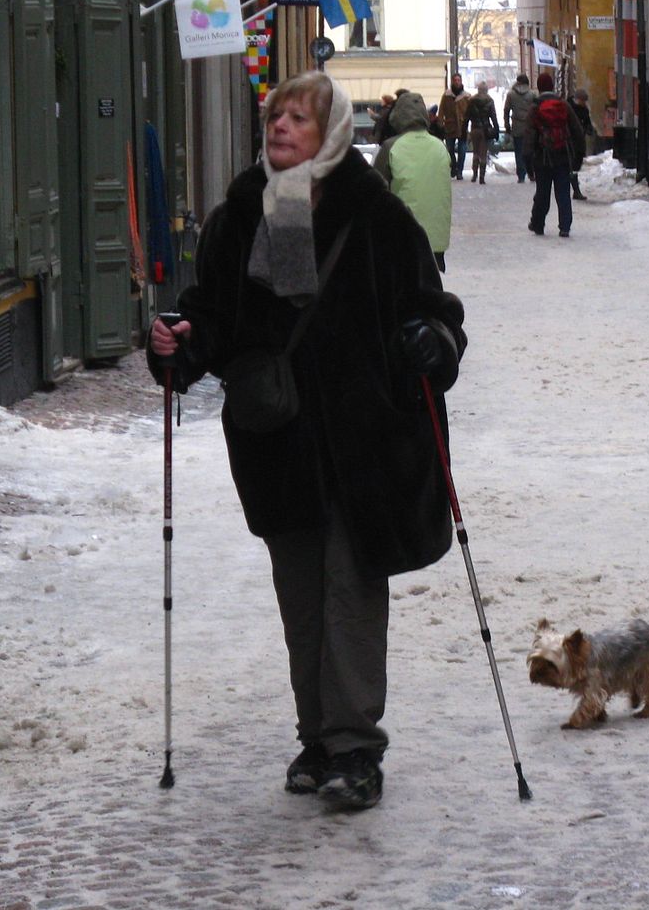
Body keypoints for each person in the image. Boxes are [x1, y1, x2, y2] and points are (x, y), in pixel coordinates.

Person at [147, 71, 467, 811]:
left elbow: (436, 309)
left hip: (366, 439)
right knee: (302, 598)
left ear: (329, 131)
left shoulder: (379, 220)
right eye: (274, 116)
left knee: (350, 592)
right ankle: (316, 737)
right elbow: (212, 320)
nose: (280, 127)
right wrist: (177, 344)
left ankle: (355, 748)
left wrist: (434, 340)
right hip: (277, 441)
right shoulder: (238, 218)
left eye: (298, 117)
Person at [374, 91, 453, 271]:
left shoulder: (391, 147)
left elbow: (374, 190)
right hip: (436, 238)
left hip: (402, 237)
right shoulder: (439, 146)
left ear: (397, 116)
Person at [524, 70, 585, 238]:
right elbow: (577, 131)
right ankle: (565, 226)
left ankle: (538, 224)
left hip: (542, 157)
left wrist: (528, 162)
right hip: (563, 155)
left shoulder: (535, 108)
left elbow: (529, 136)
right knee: (563, 192)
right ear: (552, 86)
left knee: (542, 192)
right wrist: (578, 156)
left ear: (539, 87)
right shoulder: (563, 105)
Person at [503, 72, 538, 183]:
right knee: (531, 150)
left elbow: (506, 110)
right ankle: (532, 173)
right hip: (530, 126)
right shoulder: (533, 94)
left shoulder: (511, 94)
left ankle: (521, 175)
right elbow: (537, 110)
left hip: (517, 126)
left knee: (519, 151)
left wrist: (507, 125)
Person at [462, 81, 499, 184]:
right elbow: (494, 117)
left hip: (474, 129)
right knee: (483, 153)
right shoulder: (490, 101)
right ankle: (482, 177)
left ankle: (474, 175)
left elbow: (466, 117)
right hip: (485, 130)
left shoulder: (472, 101)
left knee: (475, 152)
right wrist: (496, 131)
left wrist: (464, 130)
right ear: (486, 90)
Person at [436, 72, 469, 179]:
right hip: (450, 126)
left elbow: (471, 111)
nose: (457, 82)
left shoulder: (466, 96)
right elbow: (441, 110)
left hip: (462, 126)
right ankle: (453, 166)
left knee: (462, 150)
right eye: (455, 80)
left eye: (458, 80)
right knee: (449, 149)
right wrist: (440, 122)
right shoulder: (446, 95)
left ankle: (459, 171)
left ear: (461, 81)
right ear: (452, 81)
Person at [566, 88, 595, 202]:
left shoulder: (584, 109)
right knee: (572, 165)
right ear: (577, 99)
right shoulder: (568, 107)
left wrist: (589, 129)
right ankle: (575, 190)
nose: (584, 103)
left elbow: (587, 122)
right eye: (583, 101)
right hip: (569, 140)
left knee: (576, 164)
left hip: (579, 140)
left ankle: (574, 188)